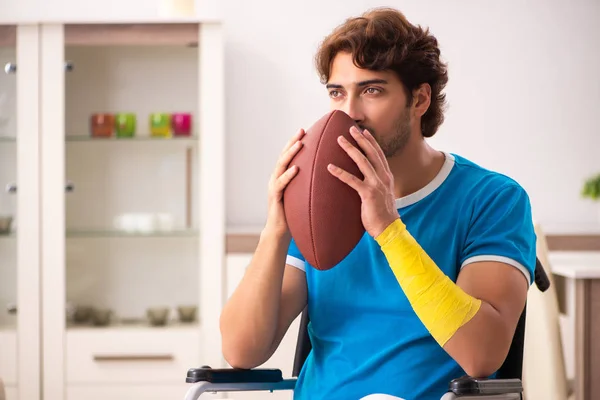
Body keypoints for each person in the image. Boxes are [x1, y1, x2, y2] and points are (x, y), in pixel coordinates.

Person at [219, 7, 537, 400]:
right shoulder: (321, 204)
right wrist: (277, 227)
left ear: (419, 100)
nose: (349, 113)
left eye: (372, 90)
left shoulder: (492, 200)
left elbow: (482, 355)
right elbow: (241, 350)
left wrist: (389, 230)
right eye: (337, 92)